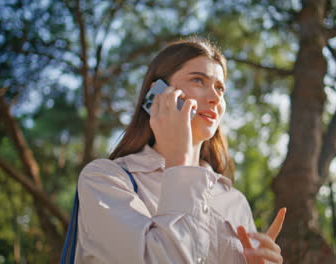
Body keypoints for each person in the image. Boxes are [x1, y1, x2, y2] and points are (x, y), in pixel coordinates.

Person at [76, 37, 285, 264]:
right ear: (158, 94)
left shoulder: (234, 201)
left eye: (220, 88)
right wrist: (181, 161)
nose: (216, 98)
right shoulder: (105, 178)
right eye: (198, 80)